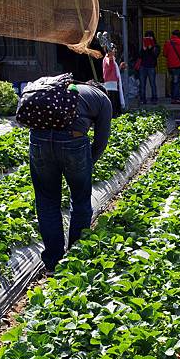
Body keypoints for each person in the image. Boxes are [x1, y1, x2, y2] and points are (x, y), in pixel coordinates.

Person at [28, 82, 113, 275]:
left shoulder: (61, 89)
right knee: (80, 199)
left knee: (46, 201)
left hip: (38, 140)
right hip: (73, 142)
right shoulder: (102, 99)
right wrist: (89, 161)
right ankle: (75, 258)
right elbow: (101, 139)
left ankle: (53, 264)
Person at [163, 29, 180, 104]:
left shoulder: (167, 42)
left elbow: (164, 54)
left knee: (173, 81)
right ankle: (175, 98)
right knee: (177, 82)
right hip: (178, 66)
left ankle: (172, 96)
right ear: (179, 35)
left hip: (170, 66)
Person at [138, 30, 160, 105]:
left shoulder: (156, 46)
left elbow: (156, 55)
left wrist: (151, 48)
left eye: (150, 36)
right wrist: (143, 49)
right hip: (143, 66)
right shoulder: (143, 45)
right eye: (147, 36)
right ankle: (142, 99)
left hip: (151, 67)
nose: (149, 38)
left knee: (152, 83)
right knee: (142, 84)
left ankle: (154, 98)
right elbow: (139, 56)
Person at [102, 46, 125, 115]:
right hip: (110, 83)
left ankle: (115, 114)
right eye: (114, 50)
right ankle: (113, 114)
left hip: (113, 82)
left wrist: (120, 67)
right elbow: (109, 65)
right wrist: (111, 56)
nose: (115, 51)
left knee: (114, 99)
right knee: (113, 100)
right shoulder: (108, 59)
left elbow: (113, 70)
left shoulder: (110, 59)